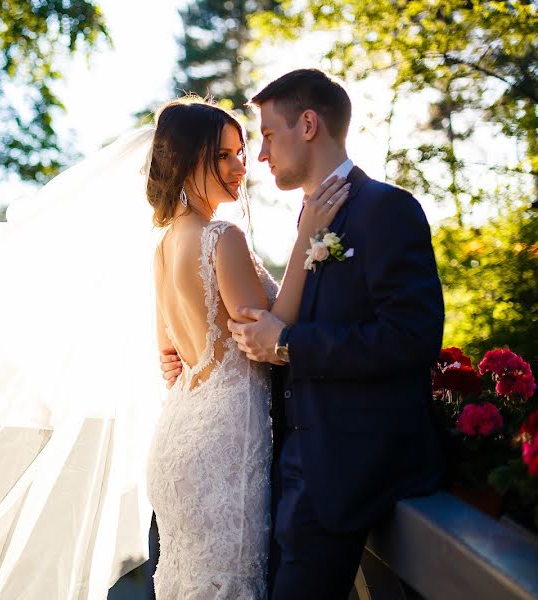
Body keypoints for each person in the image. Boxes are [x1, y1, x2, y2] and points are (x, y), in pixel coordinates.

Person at [161, 69, 445, 599]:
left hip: (353, 472)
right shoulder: (306, 224)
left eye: (267, 135)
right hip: (285, 474)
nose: (259, 156)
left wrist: (288, 344)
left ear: (308, 124)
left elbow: (413, 337)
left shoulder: (385, 209)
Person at [145, 96, 349, 599]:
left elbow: (169, 355)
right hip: (223, 442)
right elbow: (271, 330)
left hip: (176, 437)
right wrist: (309, 233)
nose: (241, 167)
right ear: (189, 159)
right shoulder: (222, 237)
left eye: (240, 153)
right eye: (224, 156)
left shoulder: (163, 246)